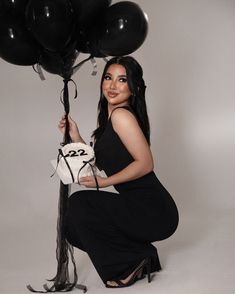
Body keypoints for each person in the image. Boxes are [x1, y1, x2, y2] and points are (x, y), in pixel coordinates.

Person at [58, 56, 179, 288]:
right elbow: (97, 161)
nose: (112, 86)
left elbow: (145, 164)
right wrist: (75, 135)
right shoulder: (110, 118)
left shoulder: (123, 116)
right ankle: (143, 256)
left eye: (122, 80)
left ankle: (128, 265)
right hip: (136, 207)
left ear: (133, 88)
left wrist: (105, 183)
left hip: (154, 209)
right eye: (108, 77)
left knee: (79, 204)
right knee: (72, 228)